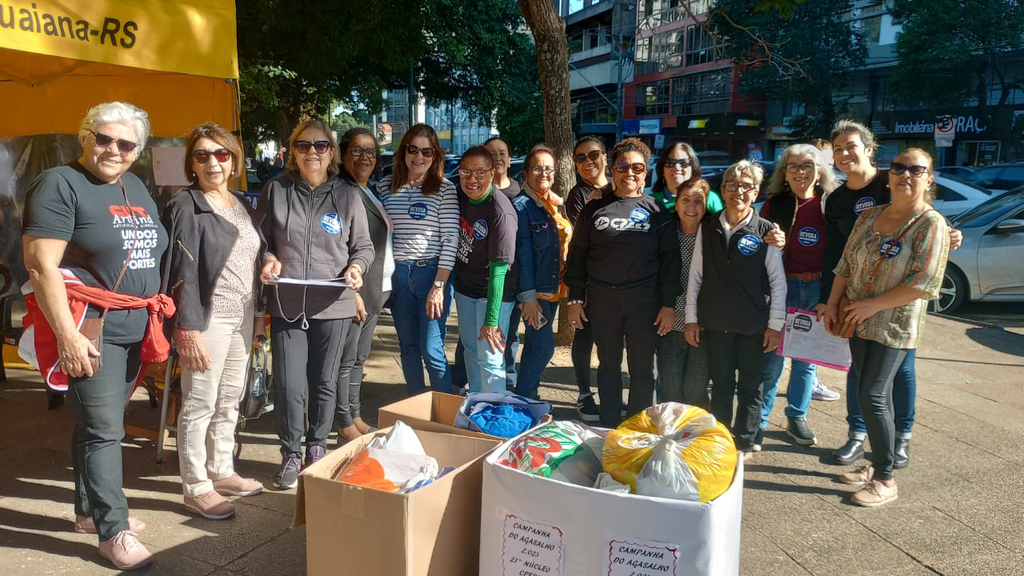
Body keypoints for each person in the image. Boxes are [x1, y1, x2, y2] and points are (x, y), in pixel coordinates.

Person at [22, 101, 170, 570]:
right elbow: (40, 265)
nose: (113, 149)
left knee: (98, 421)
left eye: (126, 144)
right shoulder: (60, 183)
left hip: (137, 322)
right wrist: (67, 336)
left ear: (137, 151)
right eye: (103, 138)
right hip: (92, 325)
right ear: (85, 135)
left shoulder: (135, 185)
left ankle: (88, 513)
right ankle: (114, 531)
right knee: (106, 430)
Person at [821, 120, 962, 467]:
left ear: (870, 149)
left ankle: (897, 443)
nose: (843, 154)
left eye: (850, 146)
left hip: (894, 316)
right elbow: (841, 256)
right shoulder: (843, 201)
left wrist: (948, 237)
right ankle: (860, 436)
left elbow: (924, 234)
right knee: (862, 381)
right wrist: (833, 300)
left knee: (894, 378)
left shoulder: (897, 188)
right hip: (857, 310)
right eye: (837, 149)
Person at [259, 120, 374, 489]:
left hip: (334, 304)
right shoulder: (276, 190)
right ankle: (291, 453)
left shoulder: (347, 195)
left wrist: (357, 268)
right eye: (304, 145)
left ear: (332, 152)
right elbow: (259, 240)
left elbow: (364, 247)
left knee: (324, 382)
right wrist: (267, 257)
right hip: (288, 302)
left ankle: (317, 449)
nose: (313, 152)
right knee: (290, 385)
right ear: (293, 150)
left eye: (321, 145)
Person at [161, 122, 266, 519]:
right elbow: (179, 272)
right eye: (202, 155)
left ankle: (221, 469)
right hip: (206, 320)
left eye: (221, 154)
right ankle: (196, 486)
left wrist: (267, 265)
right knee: (199, 403)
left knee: (229, 399)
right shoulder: (186, 206)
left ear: (234, 159)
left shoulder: (240, 203)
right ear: (191, 163)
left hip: (241, 317)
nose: (213, 163)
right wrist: (186, 328)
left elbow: (253, 254)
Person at [565, 137, 680, 426]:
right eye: (623, 166)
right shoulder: (594, 209)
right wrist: (575, 299)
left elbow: (670, 261)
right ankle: (608, 426)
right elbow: (577, 256)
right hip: (603, 301)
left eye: (638, 167)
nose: (630, 172)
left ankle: (637, 427)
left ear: (646, 171)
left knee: (641, 369)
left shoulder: (657, 211)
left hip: (644, 302)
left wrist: (668, 305)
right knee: (608, 367)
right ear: (613, 169)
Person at [685, 160, 786, 458]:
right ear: (723, 189)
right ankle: (720, 438)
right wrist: (692, 319)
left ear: (755, 193)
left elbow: (778, 283)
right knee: (722, 386)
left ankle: (744, 442)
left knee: (751, 388)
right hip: (716, 323)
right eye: (732, 185)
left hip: (753, 325)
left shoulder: (765, 230)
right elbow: (696, 275)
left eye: (746, 186)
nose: (738, 191)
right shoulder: (710, 225)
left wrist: (775, 325)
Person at [756, 143, 839, 450]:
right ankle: (760, 421)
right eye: (794, 166)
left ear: (819, 172)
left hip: (816, 289)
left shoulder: (831, 204)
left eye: (807, 166)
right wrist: (771, 242)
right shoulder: (772, 205)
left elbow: (843, 252)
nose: (801, 172)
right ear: (784, 172)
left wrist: (830, 297)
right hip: (782, 287)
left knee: (806, 361)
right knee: (772, 357)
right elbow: (756, 247)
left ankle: (797, 417)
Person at [378, 124, 459, 395]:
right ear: (404, 152)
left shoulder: (444, 190)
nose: (419, 157)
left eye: (427, 151)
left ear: (435, 155)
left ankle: (444, 410)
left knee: (431, 347)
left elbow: (450, 239)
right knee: (408, 346)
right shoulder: (386, 187)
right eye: (413, 149)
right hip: (399, 275)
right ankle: (417, 406)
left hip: (431, 274)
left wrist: (438, 286)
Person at [335, 127, 393, 443]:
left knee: (359, 356)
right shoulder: (342, 191)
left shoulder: (368, 190)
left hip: (375, 289)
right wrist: (351, 292)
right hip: (355, 291)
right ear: (343, 155)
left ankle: (355, 414)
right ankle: (343, 420)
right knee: (346, 357)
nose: (364, 157)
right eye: (356, 150)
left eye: (370, 151)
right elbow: (340, 246)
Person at [452, 146, 518, 392]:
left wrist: (492, 320)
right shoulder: (459, 193)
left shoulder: (500, 211)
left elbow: (499, 271)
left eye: (480, 173)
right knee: (470, 351)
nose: (472, 179)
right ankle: (477, 407)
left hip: (494, 293)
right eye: (465, 172)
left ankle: (493, 422)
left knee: (490, 357)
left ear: (492, 173)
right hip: (465, 289)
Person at [511, 145, 573, 400]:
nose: (543, 173)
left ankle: (529, 393)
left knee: (535, 347)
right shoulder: (522, 207)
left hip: (554, 289)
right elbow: (522, 254)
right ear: (526, 172)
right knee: (545, 349)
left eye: (549, 168)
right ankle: (524, 398)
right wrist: (529, 297)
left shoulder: (555, 204)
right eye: (537, 168)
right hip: (535, 292)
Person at [565, 136, 611, 421]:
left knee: (610, 342)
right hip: (589, 279)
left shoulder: (621, 186)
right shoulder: (579, 195)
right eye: (580, 158)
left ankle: (610, 392)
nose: (587, 162)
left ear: (605, 157)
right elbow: (583, 239)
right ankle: (584, 394)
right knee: (585, 335)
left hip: (619, 282)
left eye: (592, 155)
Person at [656, 178, 711, 408]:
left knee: (695, 388)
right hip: (669, 323)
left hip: (701, 326)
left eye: (698, 201)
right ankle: (672, 436)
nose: (691, 207)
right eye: (686, 200)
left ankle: (698, 436)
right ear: (676, 204)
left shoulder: (713, 235)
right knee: (670, 389)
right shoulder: (663, 232)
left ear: (706, 206)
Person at [484, 136, 522, 390]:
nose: (497, 158)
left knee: (509, 332)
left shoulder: (519, 193)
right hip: (477, 278)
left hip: (511, 277)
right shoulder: (474, 189)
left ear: (509, 158)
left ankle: (508, 378)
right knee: (474, 334)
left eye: (502, 153)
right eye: (491, 153)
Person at [651, 140, 723, 214]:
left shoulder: (709, 198)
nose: (677, 167)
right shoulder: (650, 202)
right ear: (662, 169)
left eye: (684, 163)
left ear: (693, 168)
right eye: (670, 162)